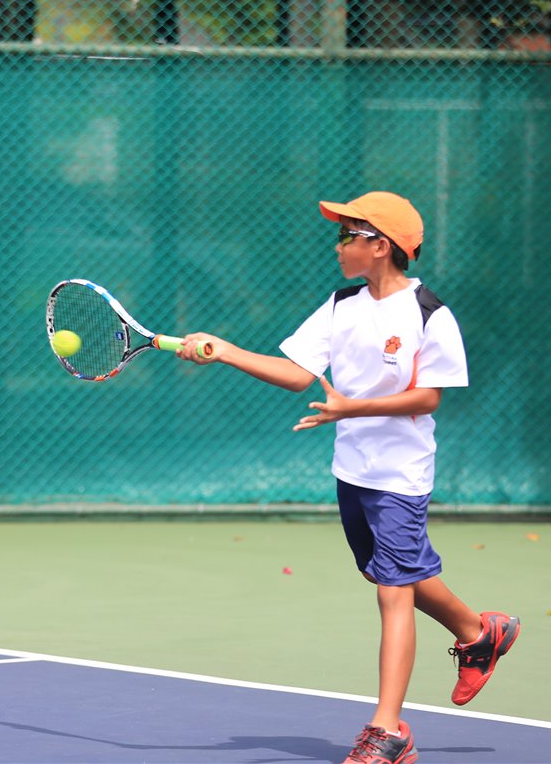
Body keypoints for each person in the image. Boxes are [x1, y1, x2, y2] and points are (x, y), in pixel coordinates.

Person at [176, 191, 520, 764]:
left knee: (393, 592)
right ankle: (479, 632)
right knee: (385, 572)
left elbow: (429, 398)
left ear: (380, 246)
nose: (338, 245)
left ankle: (388, 732)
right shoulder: (341, 305)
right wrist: (227, 351)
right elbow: (297, 374)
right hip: (352, 470)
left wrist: (350, 408)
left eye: (347, 235)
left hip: (401, 475)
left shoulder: (429, 315)